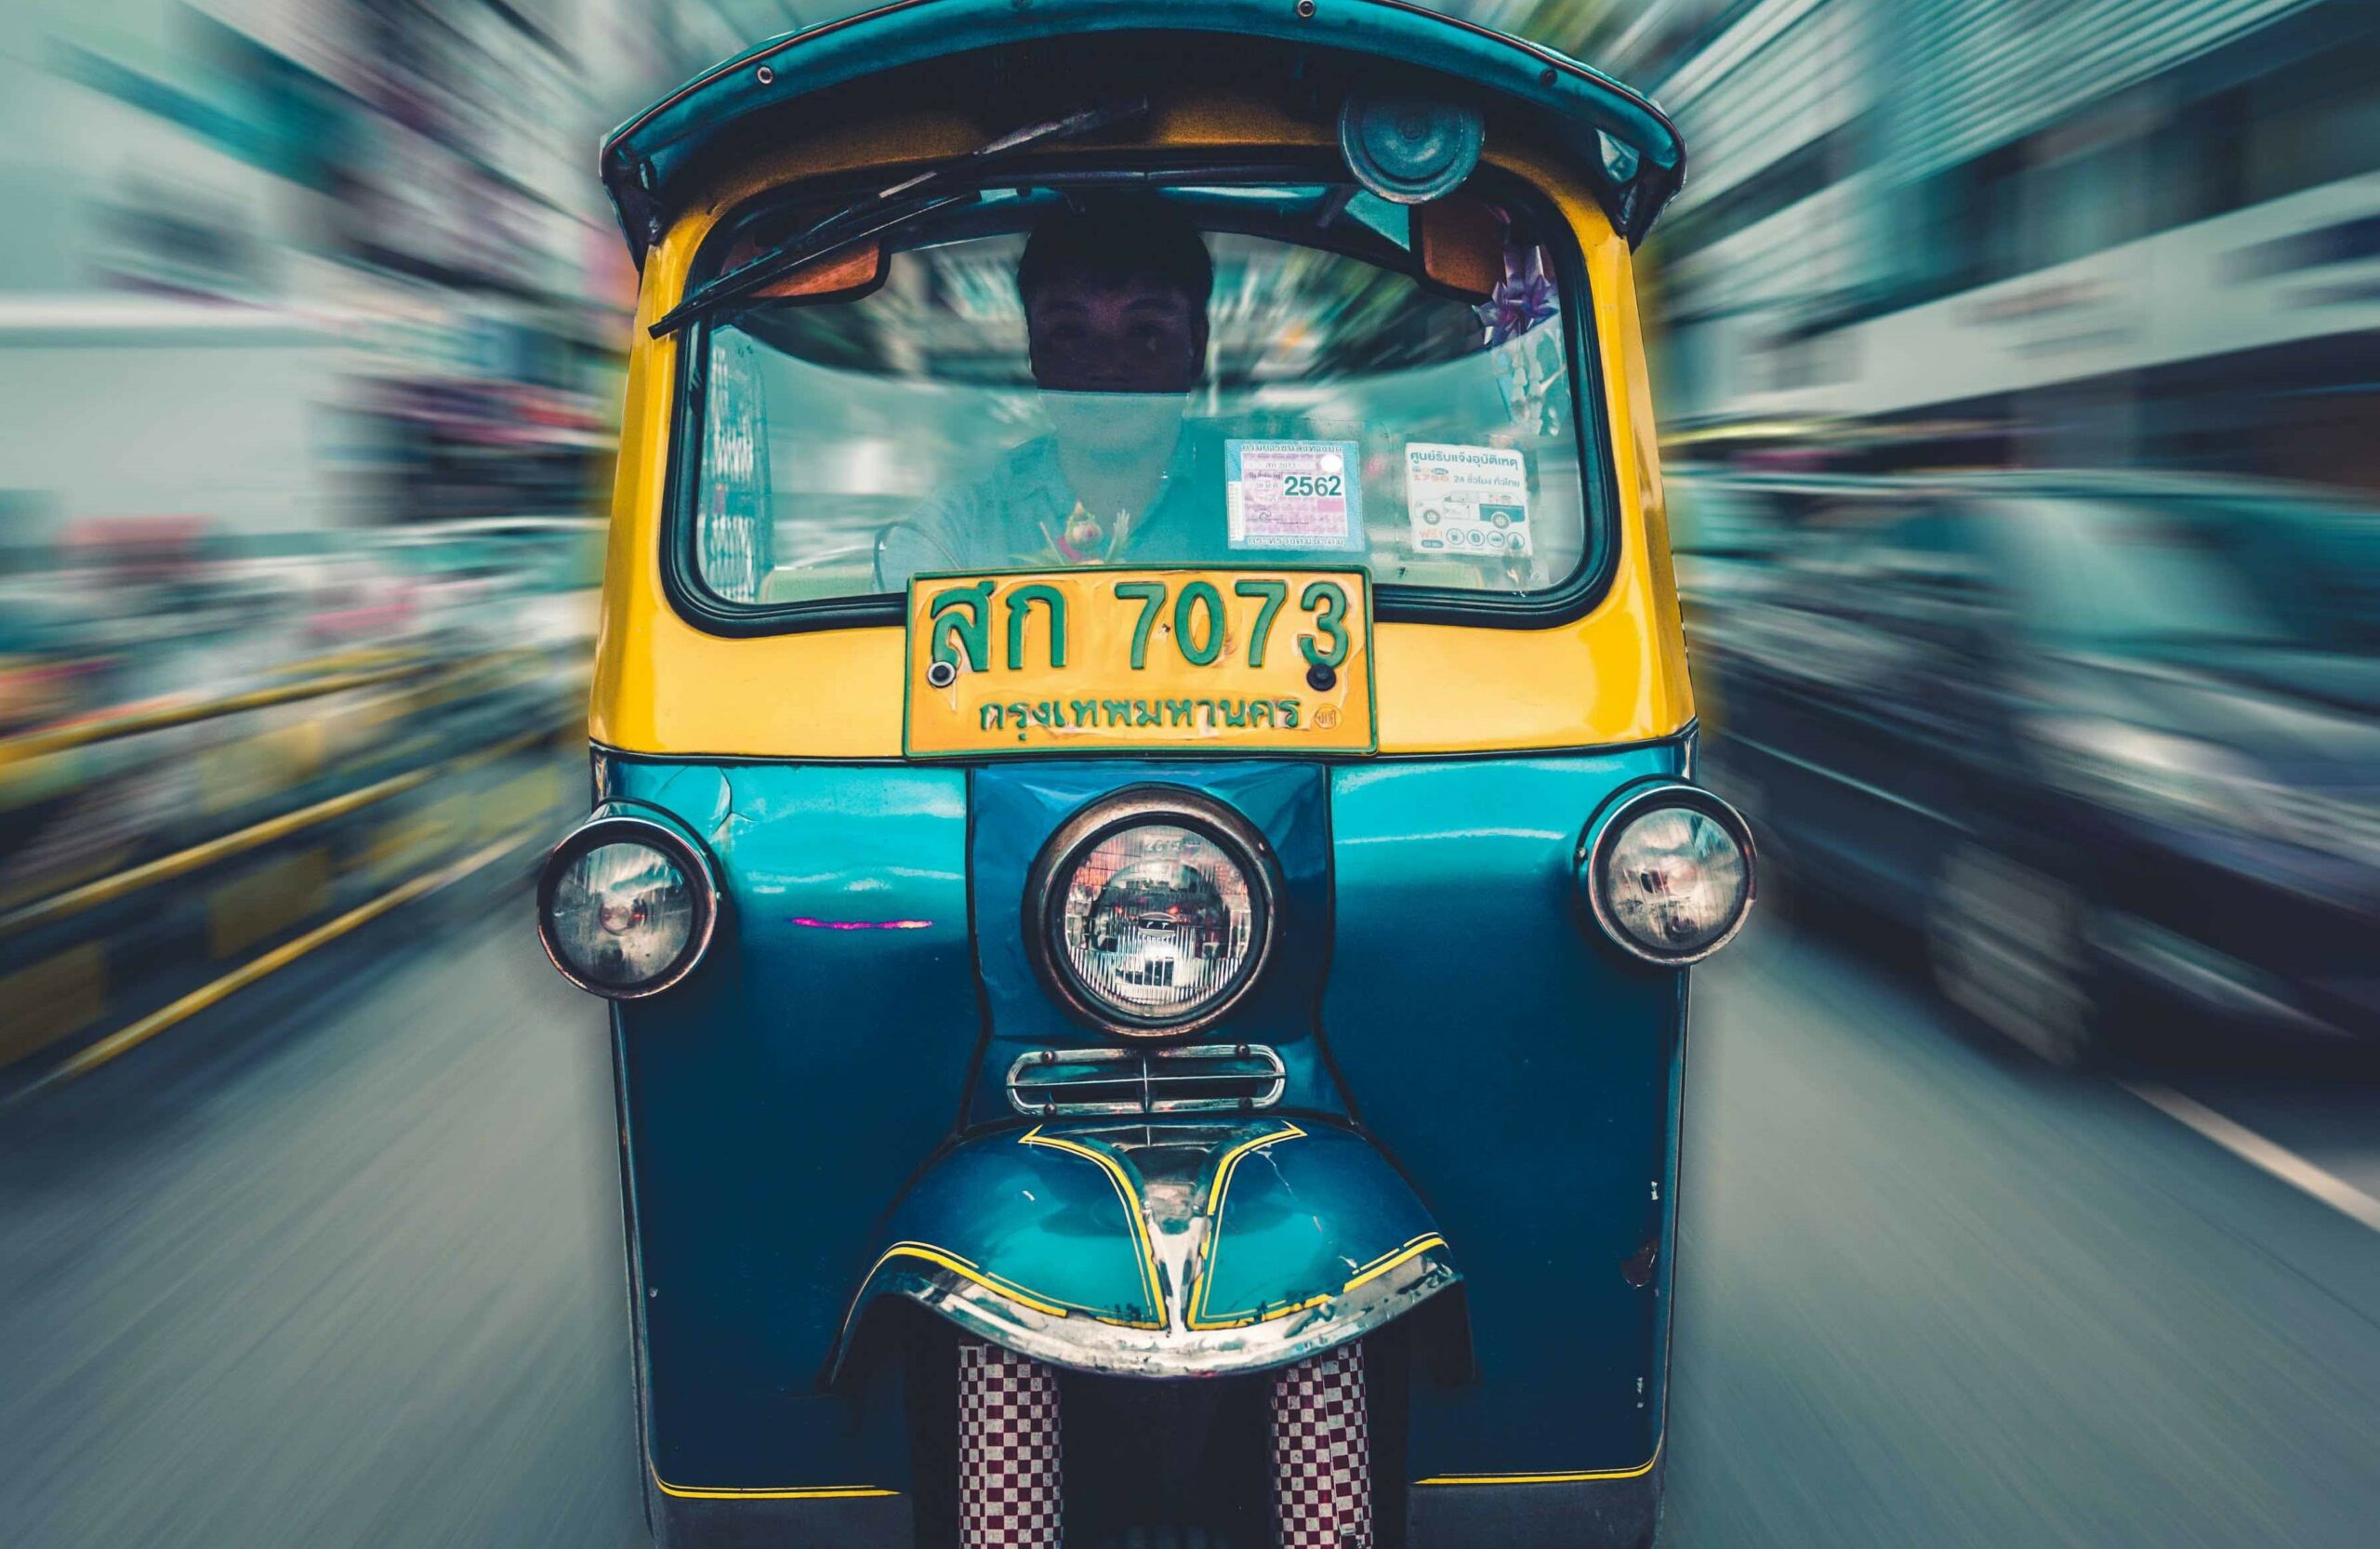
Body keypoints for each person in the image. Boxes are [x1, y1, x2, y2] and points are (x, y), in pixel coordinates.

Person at [875, 195, 1218, 585]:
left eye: (1145, 331)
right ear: (1033, 349)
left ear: (1197, 344)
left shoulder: (1267, 505)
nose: (1106, 365)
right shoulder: (962, 526)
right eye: (1070, 332)